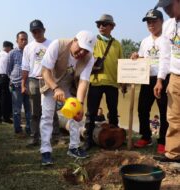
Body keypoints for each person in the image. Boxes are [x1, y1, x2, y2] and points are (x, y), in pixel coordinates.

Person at [39, 30, 96, 165]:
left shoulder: (90, 58)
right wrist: (55, 88)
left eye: (86, 51)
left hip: (69, 85)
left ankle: (74, 147)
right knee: (47, 116)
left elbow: (83, 82)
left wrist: (80, 105)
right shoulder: (57, 45)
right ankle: (45, 150)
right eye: (80, 48)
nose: (82, 53)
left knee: (76, 113)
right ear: (74, 40)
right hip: (51, 82)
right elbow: (45, 71)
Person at [131, 9, 169, 154]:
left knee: (164, 111)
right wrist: (136, 56)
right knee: (142, 109)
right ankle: (146, 136)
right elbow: (142, 58)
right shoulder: (145, 41)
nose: (151, 24)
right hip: (147, 79)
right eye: (148, 22)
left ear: (161, 21)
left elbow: (165, 62)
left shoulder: (166, 39)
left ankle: (163, 141)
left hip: (163, 79)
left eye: (154, 21)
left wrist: (160, 81)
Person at [84, 14, 124, 151]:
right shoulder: (93, 41)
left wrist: (123, 82)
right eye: (99, 24)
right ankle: (88, 139)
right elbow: (84, 58)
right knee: (91, 113)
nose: (101, 26)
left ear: (112, 27)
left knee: (113, 112)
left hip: (113, 83)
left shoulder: (117, 44)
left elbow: (121, 64)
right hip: (96, 82)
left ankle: (116, 137)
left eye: (105, 24)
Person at [21, 19, 59, 146]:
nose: (37, 33)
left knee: (51, 109)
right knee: (34, 111)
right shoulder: (28, 48)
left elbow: (58, 64)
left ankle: (55, 135)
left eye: (39, 30)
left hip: (48, 80)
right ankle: (34, 136)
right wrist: (23, 84)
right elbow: (25, 68)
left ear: (44, 30)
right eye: (34, 32)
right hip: (33, 80)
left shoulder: (53, 44)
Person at [153, 0, 180, 163]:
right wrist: (160, 80)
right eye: (164, 7)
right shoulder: (169, 26)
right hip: (175, 77)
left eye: (169, 6)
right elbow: (165, 56)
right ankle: (173, 154)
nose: (166, 10)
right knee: (174, 117)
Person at [7, 31, 31, 135]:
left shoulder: (30, 51)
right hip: (16, 85)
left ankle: (29, 129)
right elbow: (8, 69)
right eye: (22, 39)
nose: (24, 41)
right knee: (16, 109)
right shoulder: (12, 53)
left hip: (28, 85)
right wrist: (14, 79)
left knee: (29, 109)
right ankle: (18, 130)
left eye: (26, 39)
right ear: (17, 41)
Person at [0, 41, 13, 123]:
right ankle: (6, 117)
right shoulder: (7, 55)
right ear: (8, 47)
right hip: (5, 77)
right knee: (6, 98)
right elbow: (9, 68)